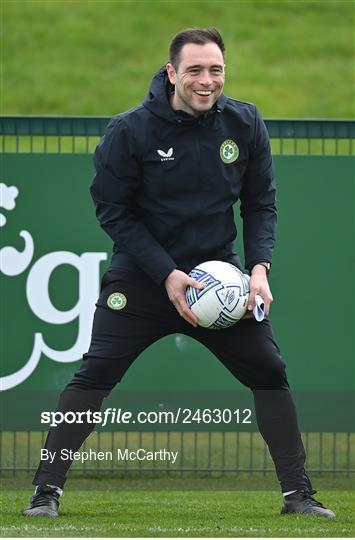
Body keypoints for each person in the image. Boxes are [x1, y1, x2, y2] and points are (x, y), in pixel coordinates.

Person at [23, 27, 335, 519]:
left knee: (271, 372)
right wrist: (166, 273)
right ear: (172, 73)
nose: (206, 80)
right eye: (194, 70)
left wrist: (258, 269)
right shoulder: (129, 131)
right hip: (143, 281)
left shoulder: (244, 122)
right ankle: (46, 491)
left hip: (219, 285)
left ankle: (297, 494)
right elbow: (112, 211)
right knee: (95, 374)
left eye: (215, 70)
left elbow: (260, 203)